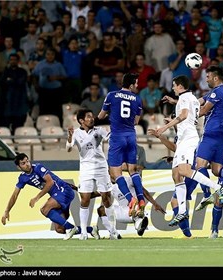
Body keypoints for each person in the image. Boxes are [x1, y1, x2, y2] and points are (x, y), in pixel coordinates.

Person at [154, 75, 222, 226]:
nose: (172, 88)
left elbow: (184, 115)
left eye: (174, 85)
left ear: (179, 86)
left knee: (184, 171)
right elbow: (188, 110)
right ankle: (183, 212)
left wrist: (164, 127)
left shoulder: (185, 98)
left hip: (188, 138)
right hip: (185, 136)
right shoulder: (191, 98)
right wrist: (174, 102)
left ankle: (217, 188)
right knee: (176, 175)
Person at [1, 153, 87, 240]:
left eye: (27, 161)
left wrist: (36, 198)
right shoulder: (22, 178)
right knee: (59, 229)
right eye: (23, 163)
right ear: (18, 167)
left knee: (44, 209)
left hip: (63, 191)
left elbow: (50, 182)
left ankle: (71, 228)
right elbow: (15, 195)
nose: (27, 164)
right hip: (57, 196)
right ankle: (90, 230)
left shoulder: (38, 167)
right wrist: (6, 211)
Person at [98, 73, 146, 218]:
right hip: (131, 136)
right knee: (133, 170)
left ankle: (131, 200)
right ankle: (141, 200)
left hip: (117, 137)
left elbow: (100, 116)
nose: (137, 86)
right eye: (136, 83)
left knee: (116, 173)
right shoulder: (137, 99)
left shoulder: (112, 95)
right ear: (131, 85)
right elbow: (136, 121)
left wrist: (110, 115)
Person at [66, 108, 118, 240]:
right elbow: (68, 148)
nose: (92, 118)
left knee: (106, 198)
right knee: (85, 199)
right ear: (81, 121)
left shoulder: (99, 130)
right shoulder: (76, 133)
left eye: (92, 116)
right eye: (89, 117)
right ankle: (83, 232)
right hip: (86, 169)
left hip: (101, 167)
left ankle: (113, 231)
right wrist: (70, 137)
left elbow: (110, 138)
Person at [96, 176, 166, 238]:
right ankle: (114, 234)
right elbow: (96, 193)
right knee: (101, 210)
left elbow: (143, 191)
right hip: (125, 212)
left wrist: (155, 203)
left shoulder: (128, 180)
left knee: (137, 209)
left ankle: (140, 220)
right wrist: (86, 196)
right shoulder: (108, 186)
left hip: (137, 208)